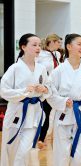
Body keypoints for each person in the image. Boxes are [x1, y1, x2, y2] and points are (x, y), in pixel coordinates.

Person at [47, 34, 81, 166]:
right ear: (69, 47)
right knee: (62, 156)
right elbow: (50, 93)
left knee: (79, 157)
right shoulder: (58, 71)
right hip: (64, 114)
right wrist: (62, 101)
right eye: (79, 44)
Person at [0, 33, 51, 166]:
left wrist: (44, 89)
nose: (38, 48)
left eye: (39, 45)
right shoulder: (15, 68)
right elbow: (3, 91)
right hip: (16, 113)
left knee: (24, 151)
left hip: (34, 114)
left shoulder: (42, 68)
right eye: (34, 45)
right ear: (23, 47)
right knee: (11, 150)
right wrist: (23, 91)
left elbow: (49, 88)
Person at [36, 33, 62, 148]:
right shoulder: (40, 55)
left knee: (53, 112)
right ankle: (40, 138)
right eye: (58, 42)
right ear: (51, 42)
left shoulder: (58, 54)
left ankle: (49, 136)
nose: (60, 44)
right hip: (44, 87)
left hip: (56, 88)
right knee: (45, 113)